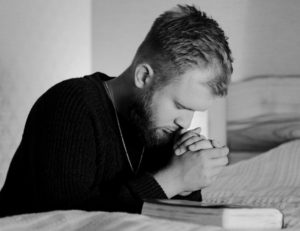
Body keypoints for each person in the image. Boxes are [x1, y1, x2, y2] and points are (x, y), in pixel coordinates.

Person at [0, 4, 233, 217]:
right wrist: (174, 179)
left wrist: (190, 179)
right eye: (180, 106)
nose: (185, 122)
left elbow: (167, 218)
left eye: (194, 111)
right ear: (143, 76)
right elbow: (66, 219)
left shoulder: (158, 127)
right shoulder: (71, 104)